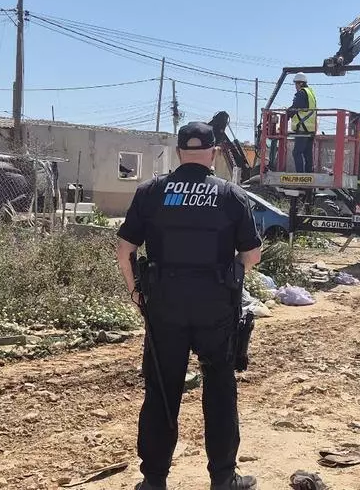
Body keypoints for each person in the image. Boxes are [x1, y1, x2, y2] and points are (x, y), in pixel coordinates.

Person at [115, 121, 262, 490]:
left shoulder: (151, 192)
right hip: (216, 306)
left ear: (179, 152)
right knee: (220, 389)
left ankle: (154, 480)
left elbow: (125, 250)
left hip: (165, 304)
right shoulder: (230, 195)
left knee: (162, 389)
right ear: (213, 154)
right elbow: (253, 255)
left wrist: (136, 293)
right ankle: (223, 479)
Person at [287, 72, 317, 173]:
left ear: (300, 83)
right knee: (307, 154)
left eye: (296, 84)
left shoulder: (301, 93)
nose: (295, 86)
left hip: (303, 129)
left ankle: (300, 176)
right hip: (310, 129)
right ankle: (309, 176)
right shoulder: (310, 93)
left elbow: (295, 108)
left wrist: (286, 115)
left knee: (297, 152)